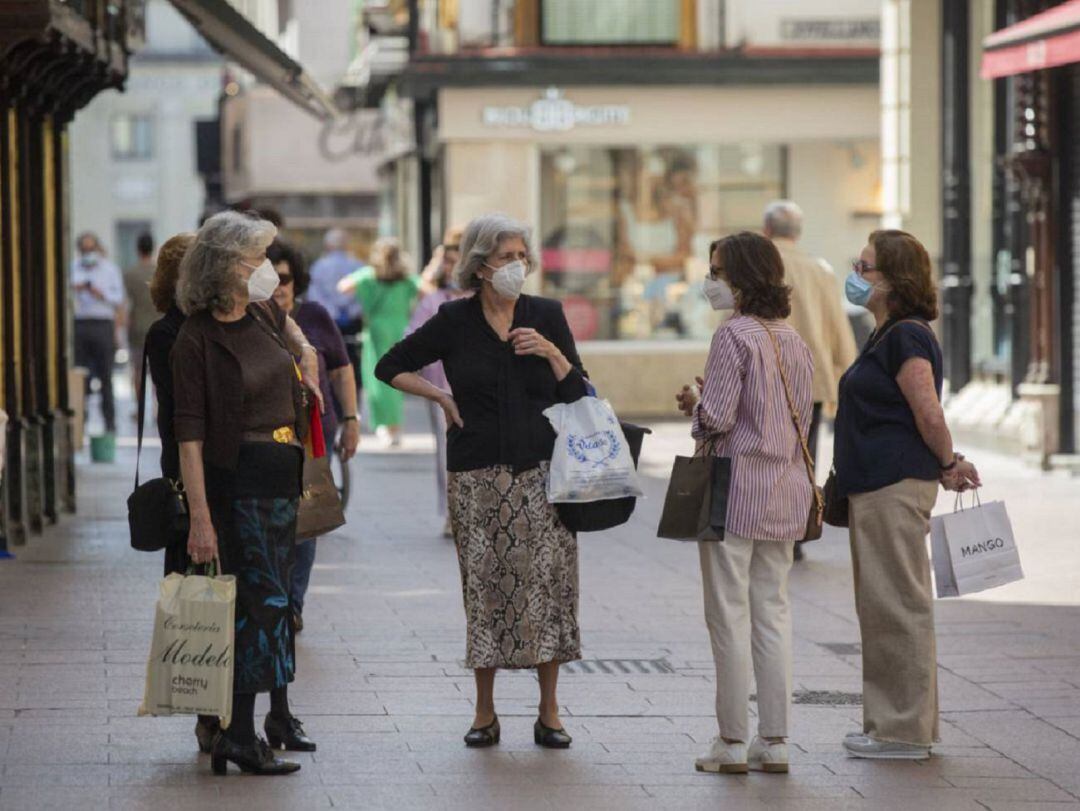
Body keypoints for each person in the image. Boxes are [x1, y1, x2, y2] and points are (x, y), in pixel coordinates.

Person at [375, 213, 587, 749]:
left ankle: (550, 712)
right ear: (479, 265)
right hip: (476, 476)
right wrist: (441, 396)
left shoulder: (547, 315)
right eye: (506, 256)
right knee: (484, 590)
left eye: (522, 255)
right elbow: (389, 365)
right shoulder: (454, 319)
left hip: (542, 473)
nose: (517, 265)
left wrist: (553, 354)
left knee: (548, 589)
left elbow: (580, 393)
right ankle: (484, 712)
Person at [172, 211, 323, 775]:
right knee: (260, 607)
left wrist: (305, 365)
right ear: (223, 267)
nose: (265, 269)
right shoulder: (196, 339)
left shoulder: (263, 313)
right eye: (254, 259)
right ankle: (237, 733)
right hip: (240, 485)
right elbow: (189, 435)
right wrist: (200, 519)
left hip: (281, 476)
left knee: (274, 604)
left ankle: (254, 727)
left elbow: (296, 342)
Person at [834, 230, 980, 760]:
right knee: (881, 606)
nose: (856, 272)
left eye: (864, 265)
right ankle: (887, 724)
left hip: (893, 486)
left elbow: (928, 411)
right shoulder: (885, 334)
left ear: (894, 278)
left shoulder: (906, 338)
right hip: (877, 486)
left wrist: (948, 463)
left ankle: (904, 732)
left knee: (898, 606)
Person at [675, 232, 814, 776]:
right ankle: (775, 741)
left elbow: (719, 419)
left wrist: (697, 405)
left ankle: (731, 741)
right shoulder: (792, 339)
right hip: (785, 490)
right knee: (773, 613)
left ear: (743, 277)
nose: (711, 281)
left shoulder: (733, 335)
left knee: (728, 615)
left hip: (733, 489)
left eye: (717, 271)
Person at [268, 238, 360, 632]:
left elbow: (341, 370)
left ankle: (293, 604)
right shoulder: (252, 321)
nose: (278, 286)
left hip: (313, 437)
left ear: (297, 280)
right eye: (269, 278)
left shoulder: (316, 316)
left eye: (285, 278)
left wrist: (352, 419)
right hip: (267, 439)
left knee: (306, 524)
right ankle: (271, 599)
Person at [763, 200, 857, 561]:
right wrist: (844, 374)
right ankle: (798, 531)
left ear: (767, 231)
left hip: (769, 377)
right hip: (812, 380)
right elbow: (838, 326)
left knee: (769, 454)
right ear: (796, 233)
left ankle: (772, 526)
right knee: (806, 457)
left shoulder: (763, 267)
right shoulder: (820, 270)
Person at [407, 226, 467, 537]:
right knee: (447, 453)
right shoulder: (434, 301)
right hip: (442, 390)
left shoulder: (482, 299)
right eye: (447, 261)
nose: (451, 267)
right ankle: (452, 514)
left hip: (482, 390)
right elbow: (412, 337)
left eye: (457, 261)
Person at [339, 238, 419, 446]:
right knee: (399, 376)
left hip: (375, 331)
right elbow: (425, 290)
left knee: (377, 378)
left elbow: (343, 287)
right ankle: (395, 426)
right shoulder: (406, 279)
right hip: (400, 330)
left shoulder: (368, 276)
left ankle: (384, 425)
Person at [71, 232, 125, 435]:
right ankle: (79, 424)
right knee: (81, 376)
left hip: (103, 324)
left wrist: (101, 293)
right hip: (81, 324)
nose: (87, 253)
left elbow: (118, 298)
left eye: (90, 249)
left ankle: (109, 424)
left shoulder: (110, 270)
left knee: (106, 376)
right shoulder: (74, 268)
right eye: (84, 250)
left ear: (97, 248)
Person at [308, 228, 365, 384]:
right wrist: (349, 312)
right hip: (352, 323)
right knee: (353, 366)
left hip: (329, 321)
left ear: (328, 245)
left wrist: (333, 312)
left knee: (330, 366)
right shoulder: (358, 266)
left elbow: (315, 296)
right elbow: (361, 296)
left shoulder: (319, 266)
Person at [124, 232, 158, 403]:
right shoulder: (160, 271)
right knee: (158, 371)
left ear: (138, 249)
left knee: (138, 371)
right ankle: (156, 409)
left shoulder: (130, 274)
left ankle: (139, 408)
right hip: (158, 325)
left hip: (137, 328)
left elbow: (125, 304)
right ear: (153, 247)